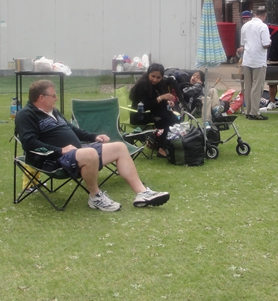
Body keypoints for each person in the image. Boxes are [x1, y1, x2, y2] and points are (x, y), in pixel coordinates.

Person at [15, 80, 170, 212]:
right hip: (53, 160)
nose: (56, 98)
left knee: (119, 147)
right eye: (53, 95)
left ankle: (142, 193)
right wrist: (60, 150)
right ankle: (95, 197)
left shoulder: (53, 111)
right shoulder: (26, 115)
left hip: (77, 153)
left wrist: (93, 137)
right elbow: (29, 143)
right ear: (41, 97)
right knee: (90, 153)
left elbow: (72, 129)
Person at [129, 63, 179, 158]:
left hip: (152, 113)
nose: (155, 80)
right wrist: (161, 98)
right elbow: (144, 106)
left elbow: (158, 100)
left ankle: (157, 142)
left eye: (158, 77)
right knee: (170, 120)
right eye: (153, 76)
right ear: (148, 73)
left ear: (162, 77)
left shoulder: (160, 84)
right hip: (140, 115)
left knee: (175, 118)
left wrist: (168, 102)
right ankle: (161, 146)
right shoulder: (143, 84)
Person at [236, 6, 271, 120]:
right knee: (257, 87)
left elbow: (243, 43)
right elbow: (266, 44)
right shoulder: (263, 26)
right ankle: (254, 112)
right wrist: (270, 41)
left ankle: (248, 110)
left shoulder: (245, 26)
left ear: (255, 14)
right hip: (258, 60)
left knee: (248, 86)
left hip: (247, 59)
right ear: (264, 15)